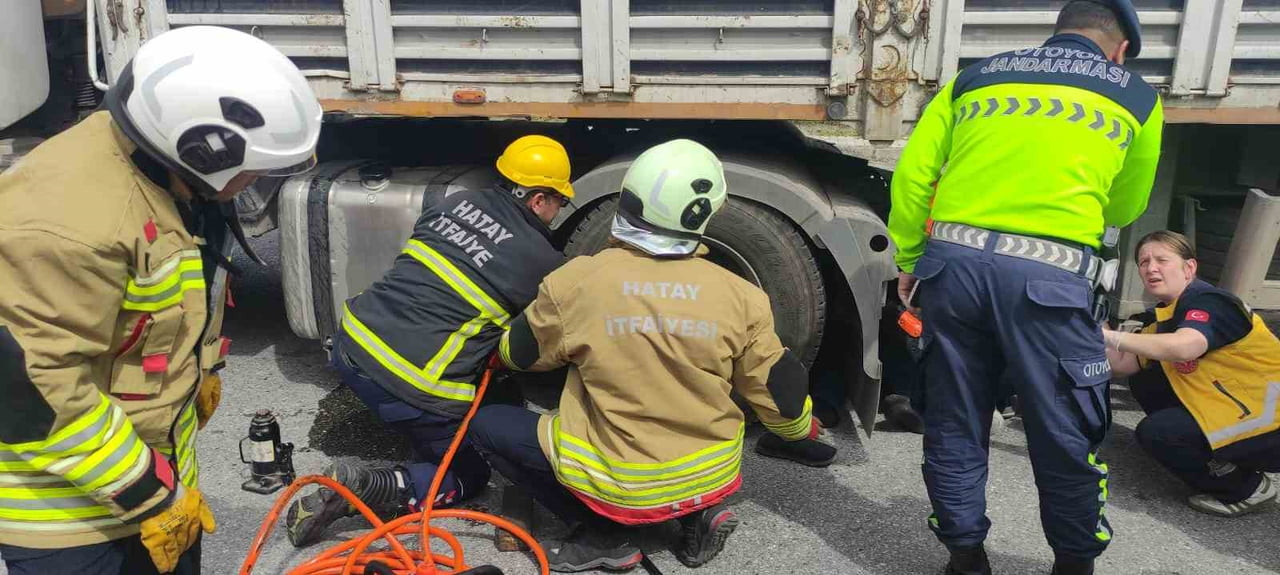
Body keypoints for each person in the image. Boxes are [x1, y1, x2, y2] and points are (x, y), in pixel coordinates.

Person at [0, 26, 322, 575]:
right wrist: (152, 495)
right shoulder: (64, 227)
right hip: (71, 520)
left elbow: (165, 301)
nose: (251, 184)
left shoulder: (161, 170)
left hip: (143, 481)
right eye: (251, 170)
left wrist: (197, 368)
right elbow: (37, 395)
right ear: (204, 148)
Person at [467, 139, 838, 573]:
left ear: (627, 198)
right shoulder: (743, 296)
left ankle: (602, 534)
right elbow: (780, 390)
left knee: (487, 427)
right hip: (710, 474)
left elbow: (519, 354)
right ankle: (698, 513)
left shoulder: (580, 281)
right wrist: (797, 431)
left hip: (622, 484)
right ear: (707, 212)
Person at [887, 0, 1163, 573]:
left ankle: (965, 557)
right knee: (1064, 427)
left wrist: (911, 257)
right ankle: (1073, 561)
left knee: (955, 416)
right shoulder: (1135, 96)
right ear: (1120, 48)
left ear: (1057, 31)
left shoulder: (974, 78)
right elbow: (1127, 202)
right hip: (1052, 281)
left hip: (952, 271)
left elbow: (915, 176)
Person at [285, 135, 572, 547]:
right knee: (468, 474)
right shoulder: (542, 262)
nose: (557, 212)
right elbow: (529, 348)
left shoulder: (452, 205)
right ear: (539, 199)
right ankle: (361, 487)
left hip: (351, 345)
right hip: (409, 382)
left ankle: (416, 428)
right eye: (559, 202)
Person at [1104, 231, 1280, 517]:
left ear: (1189, 268)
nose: (1151, 268)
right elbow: (1123, 364)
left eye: (1162, 259)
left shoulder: (1210, 301)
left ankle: (1245, 488)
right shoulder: (1163, 318)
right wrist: (1084, 328)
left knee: (1159, 432)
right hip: (1244, 411)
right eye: (1143, 262)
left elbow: (1186, 346)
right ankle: (1216, 456)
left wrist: (1111, 338)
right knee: (1146, 374)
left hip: (1272, 422)